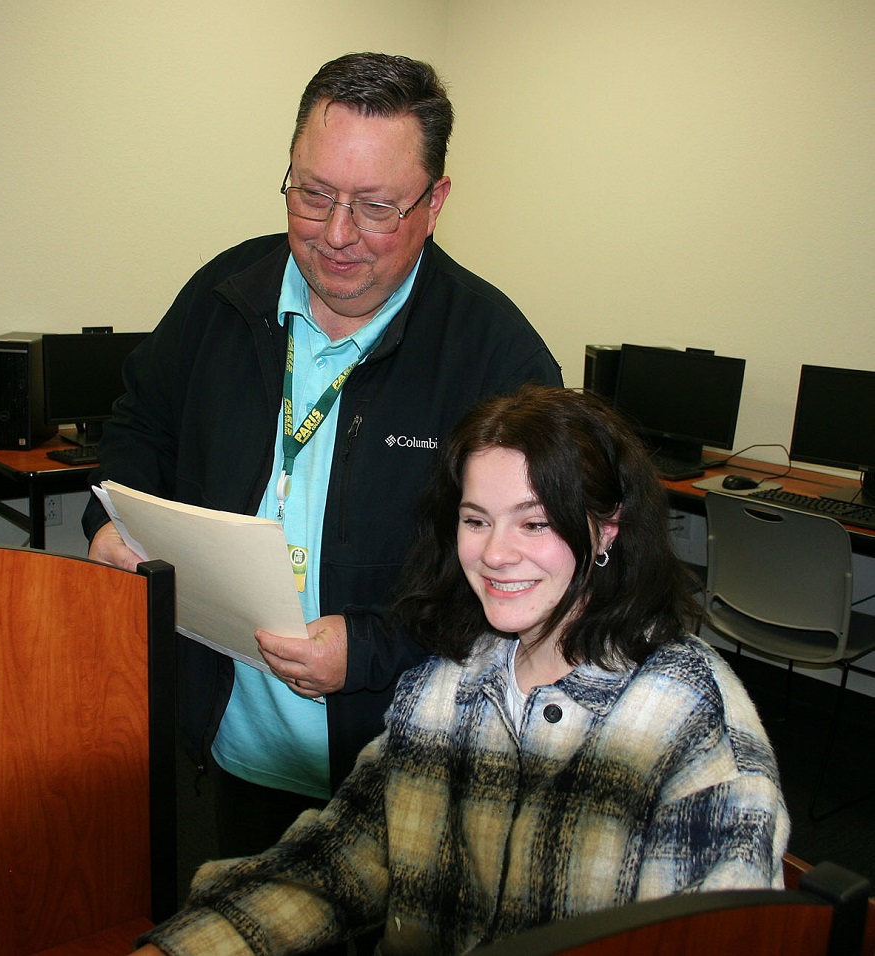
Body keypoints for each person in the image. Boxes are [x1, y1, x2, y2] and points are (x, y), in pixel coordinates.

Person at [82, 51, 563, 857]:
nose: (336, 236)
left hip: (401, 764)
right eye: (312, 195)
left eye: (376, 207)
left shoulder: (494, 357)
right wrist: (118, 517)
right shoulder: (223, 292)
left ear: (435, 201)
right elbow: (142, 422)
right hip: (225, 736)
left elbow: (536, 575)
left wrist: (374, 648)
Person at [132, 385, 789, 956]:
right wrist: (181, 946)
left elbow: (705, 942)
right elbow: (336, 861)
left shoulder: (688, 720)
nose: (496, 554)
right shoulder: (448, 678)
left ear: (605, 529)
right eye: (475, 520)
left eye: (534, 523)